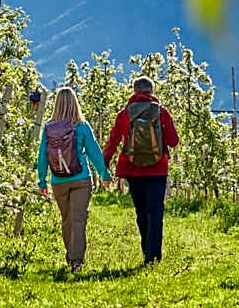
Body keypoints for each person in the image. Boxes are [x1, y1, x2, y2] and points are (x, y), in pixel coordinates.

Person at [103, 76, 179, 266]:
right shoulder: (161, 112)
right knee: (156, 211)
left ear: (134, 91)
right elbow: (173, 141)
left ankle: (146, 249)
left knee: (141, 211)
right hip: (157, 168)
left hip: (132, 168)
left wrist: (104, 165)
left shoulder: (124, 113)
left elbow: (113, 141)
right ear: (152, 91)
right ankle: (153, 256)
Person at [36, 87, 111, 273]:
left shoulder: (48, 128)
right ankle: (76, 261)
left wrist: (42, 181)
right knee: (78, 220)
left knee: (67, 220)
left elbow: (42, 155)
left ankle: (71, 256)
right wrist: (104, 174)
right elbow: (94, 152)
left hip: (58, 180)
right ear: (75, 103)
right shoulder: (82, 126)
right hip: (81, 179)